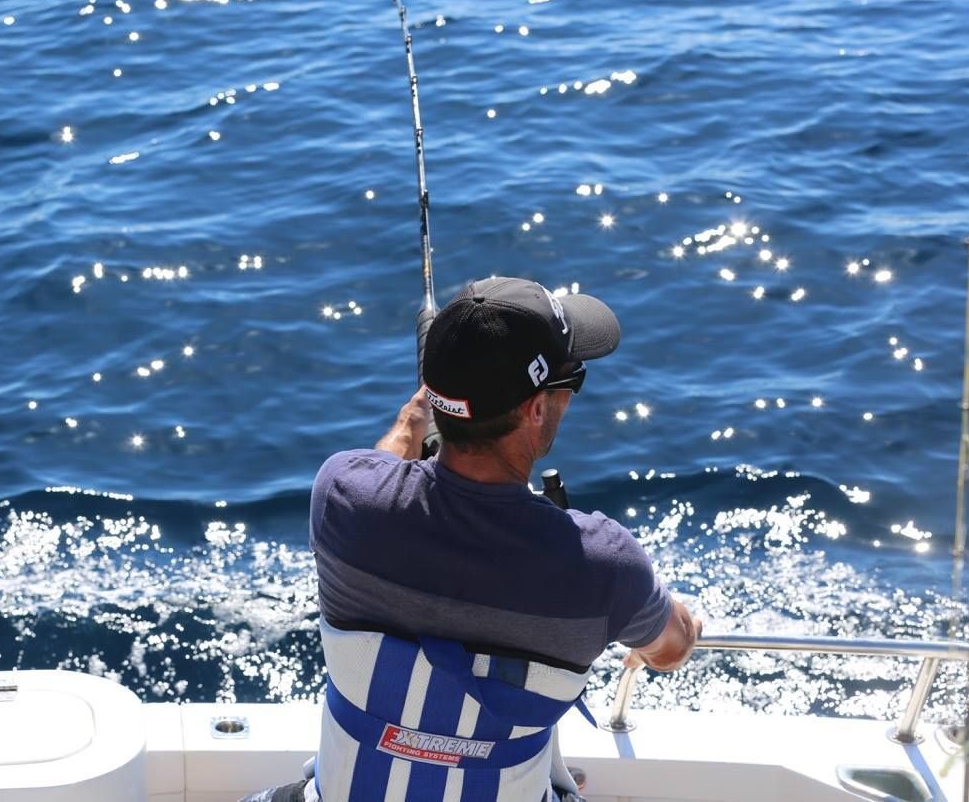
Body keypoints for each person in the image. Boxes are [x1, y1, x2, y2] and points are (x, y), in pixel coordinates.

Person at [246, 277, 700, 802]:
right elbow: (670, 649)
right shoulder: (602, 567)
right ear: (534, 409)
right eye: (571, 381)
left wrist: (406, 427)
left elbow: (376, 469)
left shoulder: (341, 498)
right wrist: (683, 624)